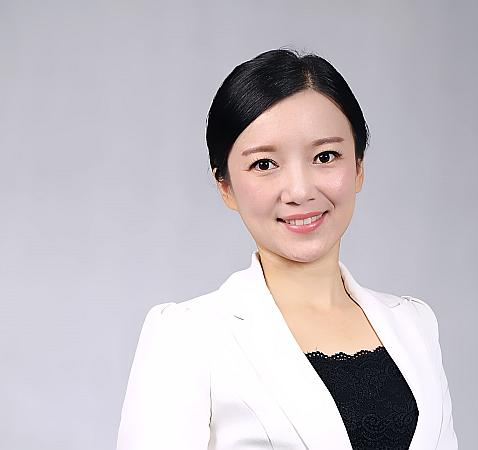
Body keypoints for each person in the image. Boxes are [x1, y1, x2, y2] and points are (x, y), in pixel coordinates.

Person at [116, 48, 458, 450]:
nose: (299, 191)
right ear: (225, 185)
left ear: (358, 167)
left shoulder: (415, 324)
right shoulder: (188, 336)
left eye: (325, 156)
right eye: (264, 164)